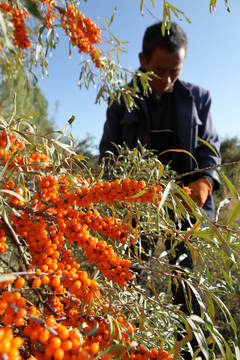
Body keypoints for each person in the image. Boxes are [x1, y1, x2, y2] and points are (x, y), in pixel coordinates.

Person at [99, 21, 221, 359]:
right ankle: (124, 345)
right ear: (142, 59)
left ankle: (192, 352)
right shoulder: (122, 101)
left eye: (175, 71)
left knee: (186, 285)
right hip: (138, 209)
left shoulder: (199, 98)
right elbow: (109, 152)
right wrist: (118, 195)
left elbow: (209, 148)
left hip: (185, 209)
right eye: (159, 70)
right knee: (127, 277)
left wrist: (206, 182)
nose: (167, 79)